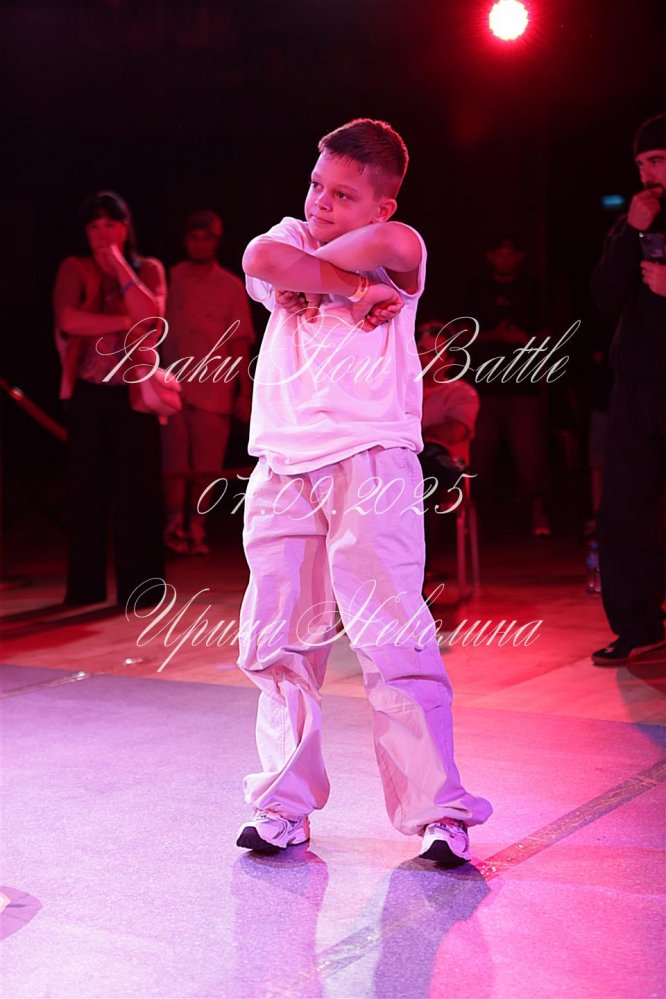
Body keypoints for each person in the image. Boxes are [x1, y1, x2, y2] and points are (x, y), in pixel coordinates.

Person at [235, 118, 492, 866]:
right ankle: (282, 805)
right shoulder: (289, 238)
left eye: (343, 195)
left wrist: (315, 273)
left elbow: (397, 249)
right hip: (283, 464)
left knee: (392, 638)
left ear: (381, 203)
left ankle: (437, 810)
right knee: (279, 643)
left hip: (372, 462)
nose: (319, 202)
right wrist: (349, 285)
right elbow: (260, 258)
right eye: (317, 184)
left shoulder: (398, 246)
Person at [53, 191, 166, 607]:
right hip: (89, 391)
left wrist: (119, 265)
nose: (102, 233)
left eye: (111, 224)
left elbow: (152, 319)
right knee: (88, 491)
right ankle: (85, 589)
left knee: (140, 493)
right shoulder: (74, 266)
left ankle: (142, 590)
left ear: (125, 227)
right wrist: (124, 320)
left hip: (135, 393)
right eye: (94, 226)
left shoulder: (148, 268)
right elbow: (69, 320)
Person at [590, 112, 666, 666]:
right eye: (641, 164)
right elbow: (603, 296)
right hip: (637, 385)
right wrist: (633, 232)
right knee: (623, 510)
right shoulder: (634, 221)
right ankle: (638, 626)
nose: (648, 174)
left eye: (658, 160)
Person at [161, 210, 255, 556]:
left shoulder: (230, 286)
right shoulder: (169, 279)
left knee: (207, 464)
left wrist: (244, 393)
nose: (200, 244)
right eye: (195, 237)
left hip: (214, 387)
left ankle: (197, 527)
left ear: (217, 241)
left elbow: (240, 342)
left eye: (207, 238)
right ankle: (174, 525)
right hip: (171, 383)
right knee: (173, 461)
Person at [467, 234, 551, 536]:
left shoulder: (533, 290)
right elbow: (460, 332)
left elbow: (550, 333)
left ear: (519, 257)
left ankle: (538, 513)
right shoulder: (478, 290)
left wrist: (523, 339)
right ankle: (475, 517)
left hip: (522, 385)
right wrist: (494, 335)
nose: (505, 258)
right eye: (499, 253)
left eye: (510, 253)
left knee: (529, 453)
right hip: (483, 386)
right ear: (490, 256)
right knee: (479, 453)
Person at [416, 319, 480, 581]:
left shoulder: (461, 393)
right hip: (403, 468)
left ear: (450, 361)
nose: (423, 357)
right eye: (420, 350)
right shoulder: (398, 390)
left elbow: (455, 431)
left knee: (422, 485)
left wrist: (414, 433)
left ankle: (417, 577)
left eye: (433, 352)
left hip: (442, 472)